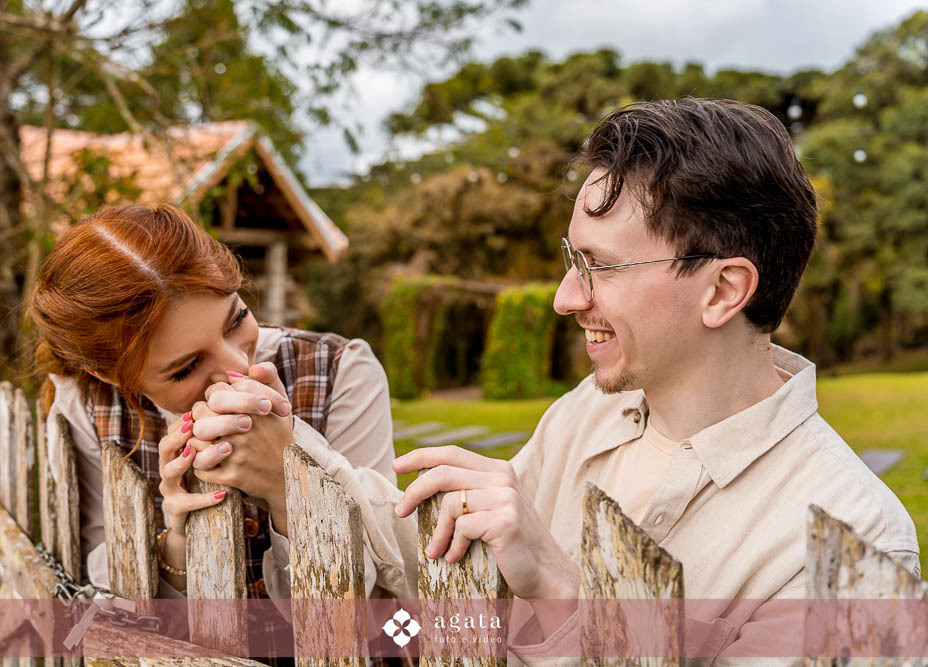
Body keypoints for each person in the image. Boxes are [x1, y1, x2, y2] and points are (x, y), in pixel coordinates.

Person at [244, 98, 921, 662]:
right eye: (572, 258)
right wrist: (290, 474)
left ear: (723, 290)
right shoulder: (588, 416)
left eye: (599, 266)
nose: (566, 297)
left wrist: (564, 589)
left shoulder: (849, 546)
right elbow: (444, 568)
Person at [29, 204, 396, 605]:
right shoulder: (86, 404)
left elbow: (373, 602)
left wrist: (283, 482)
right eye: (187, 367)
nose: (240, 367)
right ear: (112, 375)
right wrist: (178, 544)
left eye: (236, 320)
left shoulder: (340, 372)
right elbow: (101, 596)